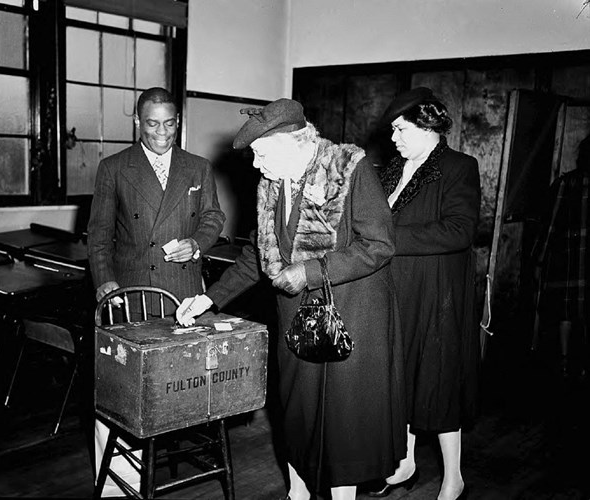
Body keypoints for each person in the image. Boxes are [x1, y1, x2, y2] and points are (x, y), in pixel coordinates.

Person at [176, 98, 407, 500]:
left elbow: (379, 245)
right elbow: (257, 256)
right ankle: (296, 494)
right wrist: (209, 299)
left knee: (344, 424)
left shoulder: (348, 171)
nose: (255, 165)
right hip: (297, 322)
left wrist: (310, 271)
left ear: (294, 143)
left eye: (261, 154)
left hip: (351, 315)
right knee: (297, 416)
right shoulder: (272, 182)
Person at [87, 86, 225, 495]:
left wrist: (197, 243)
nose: (161, 132)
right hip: (131, 292)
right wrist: (105, 282)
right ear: (136, 122)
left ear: (177, 123)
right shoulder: (114, 167)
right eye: (152, 123)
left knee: (183, 386)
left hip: (182, 294)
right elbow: (98, 235)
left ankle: (173, 463)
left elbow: (214, 217)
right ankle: (119, 486)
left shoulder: (197, 167)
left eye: (169, 123)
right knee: (122, 390)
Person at [366, 87, 481, 500]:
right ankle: (406, 463)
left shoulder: (458, 167)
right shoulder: (391, 170)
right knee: (402, 379)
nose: (393, 138)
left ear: (426, 123)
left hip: (437, 296)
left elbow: (459, 230)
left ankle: (454, 477)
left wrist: (386, 236)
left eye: (400, 129)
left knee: (439, 383)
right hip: (394, 290)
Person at [532, 133, 590, 380]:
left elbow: (550, 225)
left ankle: (565, 363)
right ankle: (583, 366)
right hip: (576, 261)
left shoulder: (567, 183)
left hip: (566, 260)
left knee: (564, 313)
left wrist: (539, 259)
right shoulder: (568, 183)